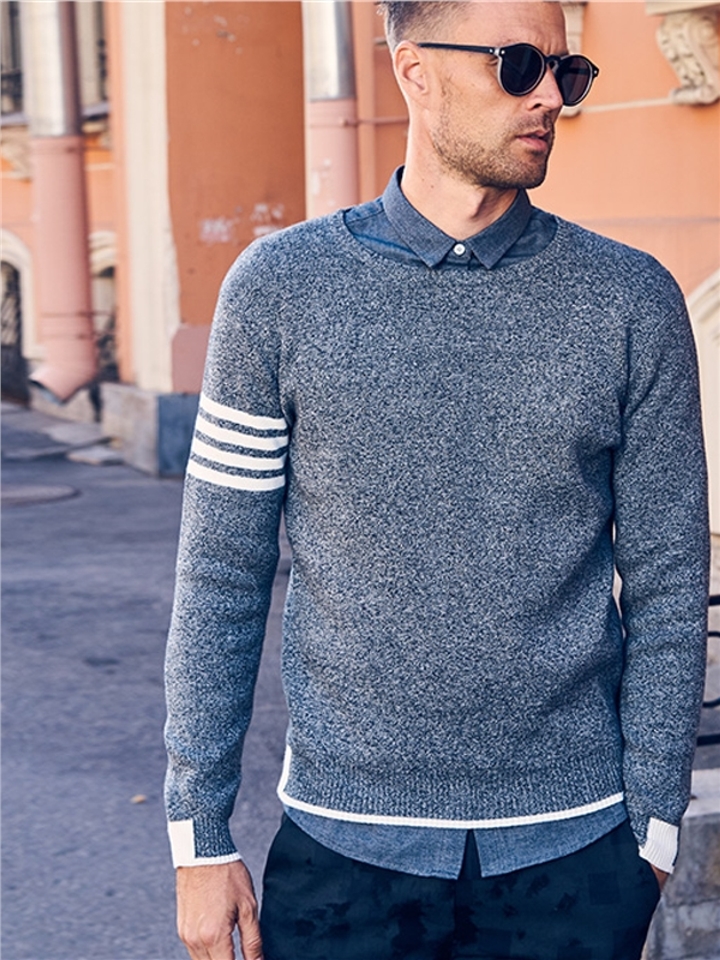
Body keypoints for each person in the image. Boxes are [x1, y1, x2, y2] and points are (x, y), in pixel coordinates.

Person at [164, 2, 710, 958]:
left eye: (567, 72)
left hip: (578, 855)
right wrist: (198, 837)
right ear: (414, 70)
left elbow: (670, 575)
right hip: (342, 853)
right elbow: (221, 575)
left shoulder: (631, 300)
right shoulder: (278, 291)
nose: (551, 97)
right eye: (519, 64)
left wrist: (654, 826)